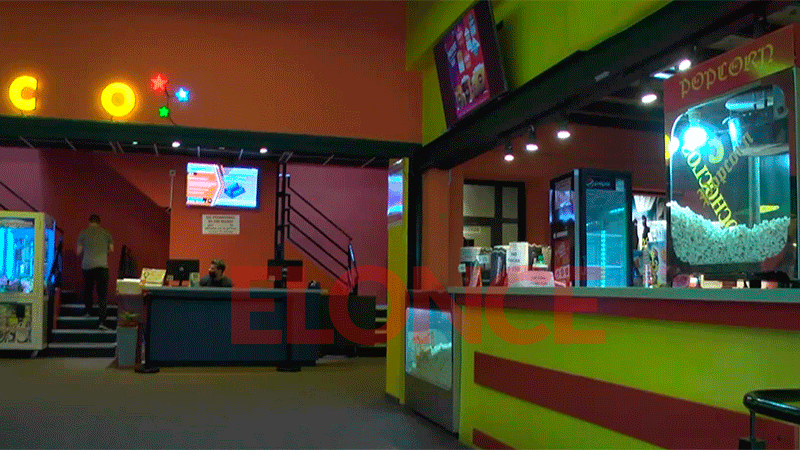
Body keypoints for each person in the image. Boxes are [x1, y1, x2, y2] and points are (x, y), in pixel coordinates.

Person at [76, 214, 114, 330]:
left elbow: (78, 251)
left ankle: (88, 311)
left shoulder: (84, 233)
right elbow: (111, 249)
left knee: (88, 290)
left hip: (87, 266)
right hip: (102, 266)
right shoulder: (106, 233)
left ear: (89, 222)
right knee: (102, 295)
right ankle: (102, 321)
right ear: (99, 222)